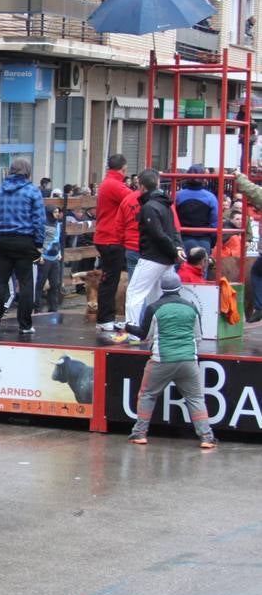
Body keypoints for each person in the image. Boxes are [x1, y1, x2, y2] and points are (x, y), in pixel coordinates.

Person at [127, 270, 217, 449]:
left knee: (147, 395)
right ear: (179, 287)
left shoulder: (154, 308)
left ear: (162, 288)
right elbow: (198, 337)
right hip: (188, 361)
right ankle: (207, 437)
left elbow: (144, 336)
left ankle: (139, 434)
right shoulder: (191, 307)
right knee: (195, 398)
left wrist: (127, 327)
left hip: (161, 361)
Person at [120, 168, 185, 344]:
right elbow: (172, 230)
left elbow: (157, 234)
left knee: (135, 293)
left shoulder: (149, 207)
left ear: (141, 186)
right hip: (166, 258)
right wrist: (178, 248)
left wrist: (174, 249)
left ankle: (133, 331)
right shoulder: (165, 204)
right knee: (156, 296)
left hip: (152, 257)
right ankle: (156, 332)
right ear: (157, 184)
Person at [0, 157, 45, 335]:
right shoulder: (32, 191)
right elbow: (39, 220)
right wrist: (39, 243)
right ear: (27, 172)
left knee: (0, 282)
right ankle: (25, 325)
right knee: (26, 283)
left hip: (2, 240)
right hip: (25, 241)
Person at [93, 154, 132, 331]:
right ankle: (105, 318)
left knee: (109, 277)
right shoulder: (115, 185)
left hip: (105, 236)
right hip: (111, 238)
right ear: (123, 169)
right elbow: (134, 199)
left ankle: (105, 317)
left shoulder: (107, 183)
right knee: (110, 279)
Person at [176, 164, 219, 254]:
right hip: (204, 239)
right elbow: (215, 221)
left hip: (183, 238)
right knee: (202, 266)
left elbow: (172, 218)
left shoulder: (178, 196)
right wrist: (212, 240)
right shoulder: (210, 197)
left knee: (183, 266)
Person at [36, 208, 64, 313]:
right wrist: (40, 255)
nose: (57, 214)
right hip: (45, 257)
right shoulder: (43, 224)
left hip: (55, 256)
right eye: (55, 212)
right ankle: (37, 307)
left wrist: (59, 252)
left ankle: (53, 307)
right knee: (40, 283)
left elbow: (57, 239)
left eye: (58, 211)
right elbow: (40, 240)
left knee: (55, 283)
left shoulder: (57, 224)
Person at [118, 174, 143, 289]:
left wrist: (125, 243)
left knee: (134, 287)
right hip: (154, 249)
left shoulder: (128, 199)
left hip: (132, 246)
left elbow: (119, 226)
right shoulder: (162, 200)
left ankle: (133, 307)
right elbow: (174, 226)